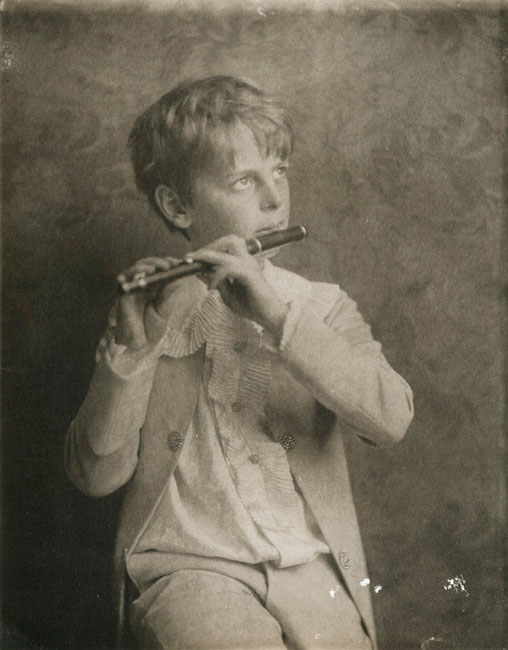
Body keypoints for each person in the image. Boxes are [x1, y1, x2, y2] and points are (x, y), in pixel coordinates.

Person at [65, 75, 414, 650]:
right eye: (244, 180)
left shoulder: (321, 306)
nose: (275, 200)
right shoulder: (153, 308)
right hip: (192, 571)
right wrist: (135, 346)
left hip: (311, 574)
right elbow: (95, 476)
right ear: (178, 205)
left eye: (279, 171)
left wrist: (281, 319)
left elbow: (390, 418)